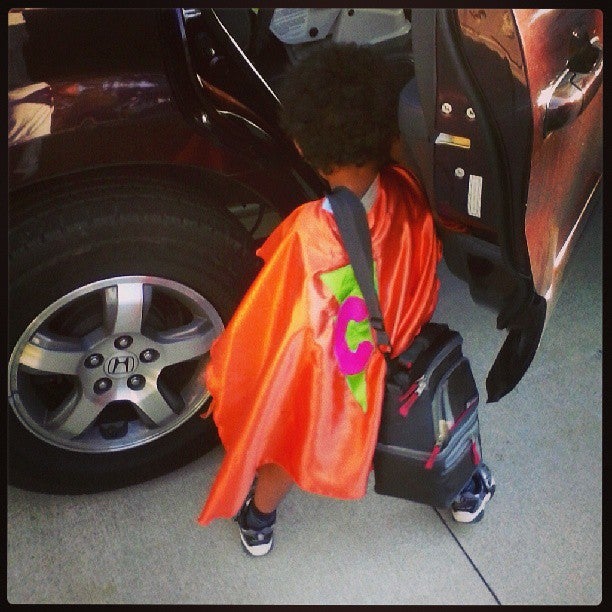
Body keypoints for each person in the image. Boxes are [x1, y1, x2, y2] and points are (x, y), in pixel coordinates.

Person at [197, 42, 495, 556]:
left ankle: (259, 518)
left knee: (291, 439)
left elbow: (273, 323)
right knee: (429, 422)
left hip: (342, 371)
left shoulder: (309, 235)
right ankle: (465, 491)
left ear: (301, 147)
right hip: (401, 339)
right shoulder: (408, 189)